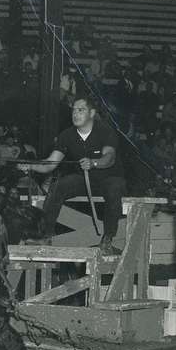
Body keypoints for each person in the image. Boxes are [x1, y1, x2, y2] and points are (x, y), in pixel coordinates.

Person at [25, 95, 125, 254]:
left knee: (114, 189)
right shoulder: (67, 135)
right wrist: (30, 166)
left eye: (81, 110)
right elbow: (51, 163)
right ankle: (45, 235)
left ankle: (108, 239)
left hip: (109, 178)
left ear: (92, 113)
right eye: (73, 111)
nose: (75, 114)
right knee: (58, 186)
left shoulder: (105, 130)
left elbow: (110, 158)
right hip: (85, 180)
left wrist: (94, 163)